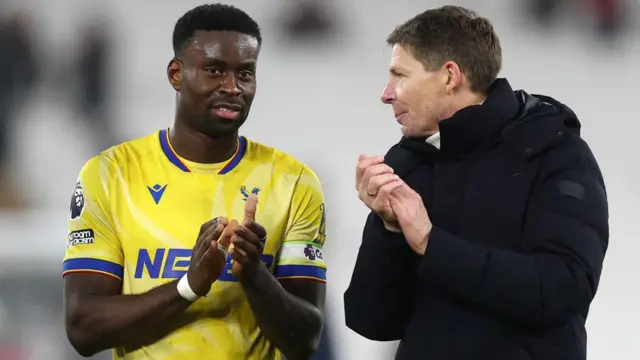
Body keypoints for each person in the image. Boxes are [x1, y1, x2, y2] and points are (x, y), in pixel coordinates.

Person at [62, 4, 327, 360]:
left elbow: (306, 340)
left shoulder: (294, 182)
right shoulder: (110, 175)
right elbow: (83, 328)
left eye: (245, 74)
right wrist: (189, 286)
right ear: (176, 73)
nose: (233, 87)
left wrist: (254, 276)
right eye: (215, 70)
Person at [344, 6, 608, 360]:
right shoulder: (407, 162)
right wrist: (389, 230)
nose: (387, 93)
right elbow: (370, 321)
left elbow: (562, 289)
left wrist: (431, 242)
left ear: (450, 76)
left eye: (400, 75)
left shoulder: (556, 153)